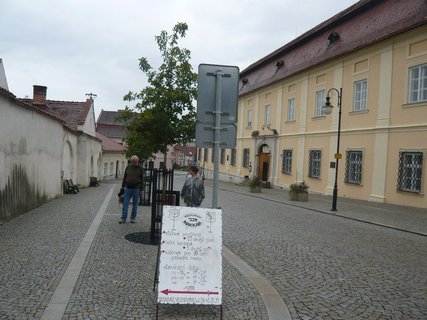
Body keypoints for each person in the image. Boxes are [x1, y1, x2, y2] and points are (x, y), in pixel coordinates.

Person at [119, 155, 144, 224]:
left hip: (136, 188)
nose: (135, 163)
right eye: (133, 162)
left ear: (138, 161)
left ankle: (133, 218)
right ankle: (123, 218)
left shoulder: (140, 168)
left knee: (135, 204)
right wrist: (122, 186)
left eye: (136, 162)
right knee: (125, 204)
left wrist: (142, 189)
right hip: (127, 188)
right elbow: (125, 177)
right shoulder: (128, 167)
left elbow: (142, 179)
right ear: (131, 161)